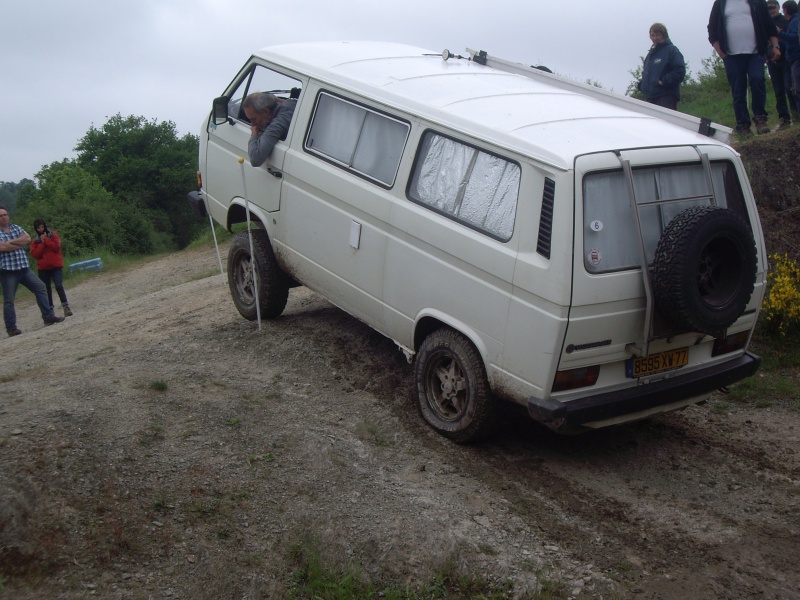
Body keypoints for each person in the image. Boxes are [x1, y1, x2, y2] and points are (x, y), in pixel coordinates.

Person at [708, 0, 782, 136]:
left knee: (757, 80)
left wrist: (775, 46)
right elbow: (712, 29)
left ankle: (760, 119)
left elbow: (769, 25)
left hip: (756, 52)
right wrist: (721, 52)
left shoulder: (757, 2)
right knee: (738, 89)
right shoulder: (721, 3)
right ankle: (743, 125)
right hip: (731, 55)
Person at [0, 207, 64, 336]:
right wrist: (17, 243)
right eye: (1, 216)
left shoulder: (16, 227)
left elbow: (28, 239)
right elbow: (3, 247)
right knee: (9, 300)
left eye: (5, 214)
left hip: (23, 267)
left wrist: (10, 242)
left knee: (40, 288)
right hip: (8, 270)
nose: (4, 217)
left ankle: (48, 317)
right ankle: (11, 328)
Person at [30, 219, 73, 318]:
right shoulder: (35, 241)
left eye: (42, 227)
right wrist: (41, 244)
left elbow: (56, 248)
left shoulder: (53, 235)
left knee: (58, 285)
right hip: (43, 268)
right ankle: (50, 310)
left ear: (45, 226)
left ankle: (66, 306)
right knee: (46, 289)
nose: (41, 229)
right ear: (36, 229)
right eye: (38, 228)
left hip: (55, 266)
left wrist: (46, 240)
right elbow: (35, 254)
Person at [638, 23, 687, 110]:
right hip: (649, 98)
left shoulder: (672, 50)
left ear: (664, 35)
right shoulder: (650, 55)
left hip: (665, 98)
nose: (655, 38)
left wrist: (664, 81)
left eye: (657, 35)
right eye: (652, 35)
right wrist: (642, 86)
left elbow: (680, 70)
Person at [242, 92, 297, 168]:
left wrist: (254, 134)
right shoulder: (291, 103)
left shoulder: (277, 124)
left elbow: (255, 159)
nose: (253, 124)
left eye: (254, 119)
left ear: (266, 111)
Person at [767, 0, 795, 127]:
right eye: (769, 8)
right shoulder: (765, 23)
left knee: (790, 88)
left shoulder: (786, 21)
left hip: (786, 59)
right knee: (779, 92)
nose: (771, 10)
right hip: (772, 61)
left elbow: (791, 38)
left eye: (773, 7)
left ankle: (796, 115)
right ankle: (784, 119)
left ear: (778, 8)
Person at [779, 0, 800, 115]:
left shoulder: (794, 22)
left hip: (796, 58)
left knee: (798, 89)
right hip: (794, 59)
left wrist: (780, 33)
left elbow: (796, 38)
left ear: (786, 10)